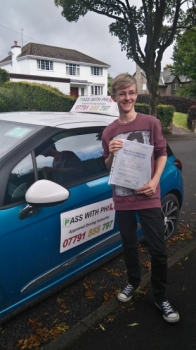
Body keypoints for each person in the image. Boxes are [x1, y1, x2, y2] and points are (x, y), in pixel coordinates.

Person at [102, 73, 180, 323]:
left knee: (158, 250)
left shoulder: (151, 123)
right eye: (122, 93)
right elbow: (107, 167)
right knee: (129, 247)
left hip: (148, 197)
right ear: (114, 97)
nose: (127, 97)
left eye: (131, 92)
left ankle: (160, 296)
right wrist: (112, 154)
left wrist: (155, 181)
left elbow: (161, 153)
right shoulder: (110, 131)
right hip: (123, 199)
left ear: (137, 94)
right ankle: (133, 282)